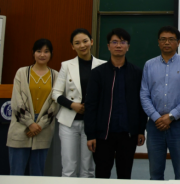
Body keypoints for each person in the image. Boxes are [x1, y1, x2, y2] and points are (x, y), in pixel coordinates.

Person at [84, 28, 147, 179]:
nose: (118, 45)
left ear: (128, 46)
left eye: (122, 42)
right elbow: (91, 105)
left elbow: (141, 104)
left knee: (125, 175)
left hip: (128, 134)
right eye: (114, 42)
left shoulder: (137, 73)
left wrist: (140, 130)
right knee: (102, 174)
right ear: (108, 46)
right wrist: (90, 134)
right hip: (103, 135)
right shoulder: (98, 73)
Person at [141, 25, 180, 180]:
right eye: (163, 39)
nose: (167, 42)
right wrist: (157, 118)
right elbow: (144, 95)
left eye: (171, 39)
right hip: (155, 125)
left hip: (178, 124)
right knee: (155, 172)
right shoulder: (149, 65)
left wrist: (171, 116)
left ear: (178, 42)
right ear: (158, 42)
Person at [52, 28, 106, 177]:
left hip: (92, 124)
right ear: (72, 46)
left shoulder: (103, 65)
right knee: (69, 167)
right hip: (69, 122)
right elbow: (55, 93)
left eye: (85, 41)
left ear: (91, 42)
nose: (82, 45)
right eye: (77, 43)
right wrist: (72, 105)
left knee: (88, 168)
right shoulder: (66, 65)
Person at [7, 39, 59, 176]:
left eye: (46, 51)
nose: (42, 55)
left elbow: (55, 104)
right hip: (21, 125)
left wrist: (39, 125)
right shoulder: (22, 72)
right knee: (16, 174)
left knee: (37, 174)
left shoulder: (56, 75)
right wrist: (30, 123)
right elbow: (16, 101)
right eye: (39, 51)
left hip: (43, 128)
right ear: (33, 53)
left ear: (51, 54)